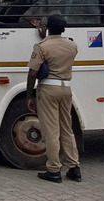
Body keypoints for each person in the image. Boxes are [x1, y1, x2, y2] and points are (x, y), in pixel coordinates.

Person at [28, 14, 80, 183]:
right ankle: (74, 167)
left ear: (48, 27)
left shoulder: (41, 47)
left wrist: (30, 94)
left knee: (51, 131)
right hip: (66, 88)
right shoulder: (72, 45)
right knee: (67, 129)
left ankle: (54, 169)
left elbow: (33, 72)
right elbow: (57, 46)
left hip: (48, 89)